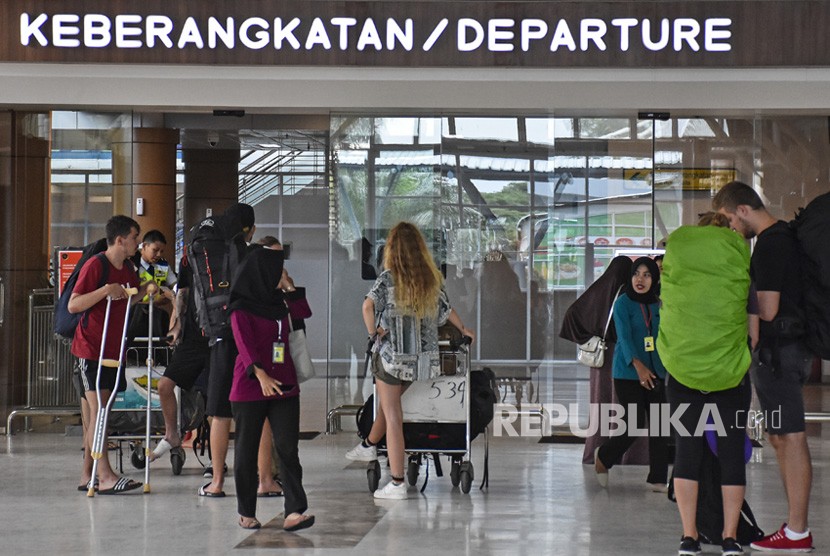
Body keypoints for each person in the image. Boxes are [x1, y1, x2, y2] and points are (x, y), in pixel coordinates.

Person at [713, 181, 814, 552]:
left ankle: (798, 531)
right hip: (784, 350)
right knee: (780, 437)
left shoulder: (771, 245)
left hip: (779, 351)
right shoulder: (781, 238)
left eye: (728, 220)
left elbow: (768, 309)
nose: (731, 229)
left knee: (790, 437)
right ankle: (794, 527)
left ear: (742, 209)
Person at [344, 222, 474, 500]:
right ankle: (368, 443)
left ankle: (397, 482)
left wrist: (373, 334)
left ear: (392, 249)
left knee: (392, 415)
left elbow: (367, 306)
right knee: (389, 409)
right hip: (421, 362)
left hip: (393, 358)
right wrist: (463, 330)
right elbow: (445, 311)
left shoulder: (388, 278)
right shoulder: (430, 278)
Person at [658, 222, 754, 556]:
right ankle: (729, 538)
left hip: (684, 373)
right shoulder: (740, 271)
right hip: (730, 374)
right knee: (731, 456)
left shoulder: (677, 269)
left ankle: (689, 537)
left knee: (687, 452)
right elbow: (753, 328)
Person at [229, 246, 315, 531]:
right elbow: (243, 343)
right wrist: (260, 373)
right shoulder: (240, 306)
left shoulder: (281, 301)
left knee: (288, 448)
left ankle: (294, 511)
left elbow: (304, 313)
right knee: (246, 450)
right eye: (277, 269)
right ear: (262, 272)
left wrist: (289, 286)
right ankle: (246, 511)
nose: (282, 272)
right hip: (251, 385)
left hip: (285, 384)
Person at [68, 215, 154, 494]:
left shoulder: (128, 268)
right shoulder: (97, 265)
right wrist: (105, 290)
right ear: (120, 240)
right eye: (134, 239)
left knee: (99, 414)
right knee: (100, 412)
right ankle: (104, 475)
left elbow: (128, 296)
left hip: (114, 348)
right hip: (91, 348)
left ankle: (86, 475)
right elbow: (74, 305)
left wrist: (147, 291)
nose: (138, 244)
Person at [560, 256, 649, 465]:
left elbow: (572, 314)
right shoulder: (627, 295)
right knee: (628, 407)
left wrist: (590, 337)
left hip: (601, 360)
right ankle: (629, 455)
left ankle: (597, 449)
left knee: (601, 403)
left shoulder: (598, 291)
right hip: (625, 357)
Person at [593, 257, 669, 491]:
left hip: (657, 371)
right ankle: (604, 457)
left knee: (660, 425)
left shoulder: (660, 304)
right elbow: (624, 338)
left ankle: (658, 478)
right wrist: (638, 366)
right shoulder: (623, 303)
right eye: (637, 273)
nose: (640, 279)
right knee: (633, 424)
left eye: (647, 275)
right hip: (627, 373)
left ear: (654, 279)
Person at [200, 203, 257, 497]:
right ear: (251, 229)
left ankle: (218, 481)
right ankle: (264, 481)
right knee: (259, 411)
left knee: (220, 414)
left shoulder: (206, 253)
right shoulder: (253, 256)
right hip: (251, 340)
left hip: (220, 335)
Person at [148, 252, 209, 465]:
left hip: (214, 338)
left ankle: (215, 462)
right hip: (191, 339)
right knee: (165, 385)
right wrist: (177, 326)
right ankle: (171, 433)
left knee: (215, 399)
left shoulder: (228, 257)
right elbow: (181, 293)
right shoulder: (189, 260)